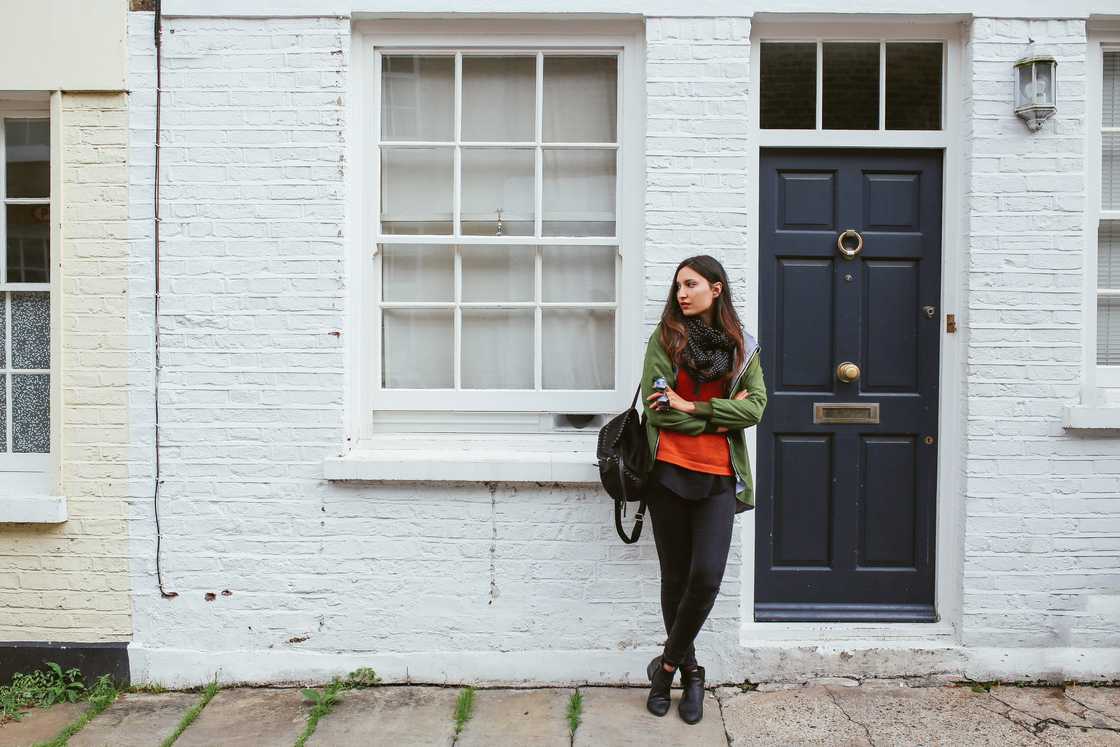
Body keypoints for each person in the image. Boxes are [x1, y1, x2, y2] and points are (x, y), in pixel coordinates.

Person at [639, 255, 767, 724]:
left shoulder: (741, 347)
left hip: (718, 479)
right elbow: (658, 411)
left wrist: (692, 407)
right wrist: (717, 411)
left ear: (716, 288)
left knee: (706, 577)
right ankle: (691, 672)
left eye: (690, 284)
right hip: (668, 475)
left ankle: (665, 666)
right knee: (675, 579)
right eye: (677, 287)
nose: (681, 294)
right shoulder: (666, 339)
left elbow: (755, 409)